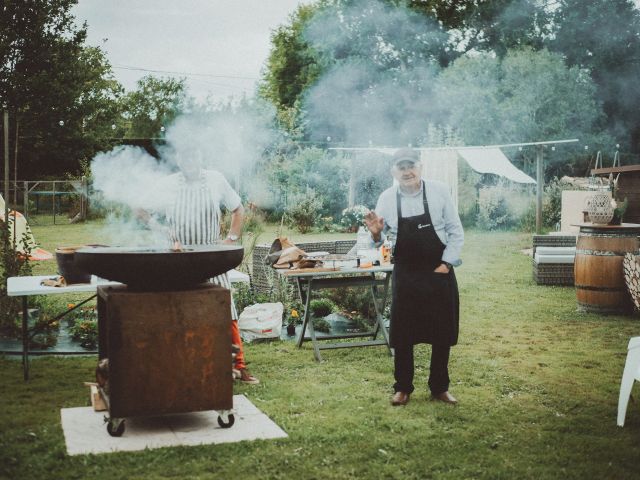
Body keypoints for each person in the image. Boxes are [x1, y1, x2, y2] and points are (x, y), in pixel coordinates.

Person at [145, 146, 259, 385]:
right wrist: (162, 231)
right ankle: (183, 363)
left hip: (211, 258)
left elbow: (238, 210)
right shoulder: (168, 184)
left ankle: (238, 366)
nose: (189, 160)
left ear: (199, 157)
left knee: (226, 310)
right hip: (178, 258)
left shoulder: (216, 180)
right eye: (184, 156)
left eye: (193, 155)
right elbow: (140, 208)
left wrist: (231, 240)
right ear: (179, 159)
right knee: (178, 312)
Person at [364, 147, 463, 406]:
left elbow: (455, 230)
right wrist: (376, 235)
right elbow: (379, 241)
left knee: (442, 331)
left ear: (420, 167)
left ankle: (439, 387)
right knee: (403, 333)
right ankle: (403, 387)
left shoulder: (440, 191)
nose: (407, 172)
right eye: (401, 167)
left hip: (438, 269)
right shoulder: (386, 198)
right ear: (393, 171)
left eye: (411, 166)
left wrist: (447, 264)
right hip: (406, 271)